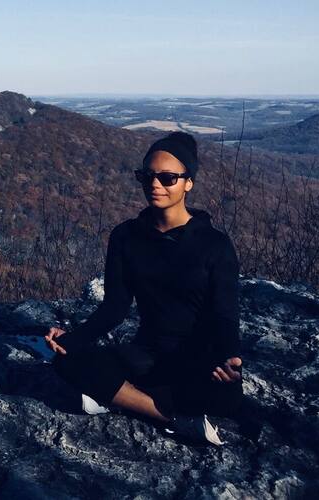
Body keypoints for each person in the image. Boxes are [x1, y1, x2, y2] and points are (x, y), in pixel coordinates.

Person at [45, 131, 243, 446]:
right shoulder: (126, 237)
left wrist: (228, 359)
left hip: (197, 357)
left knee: (226, 396)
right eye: (147, 176)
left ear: (188, 183)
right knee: (67, 361)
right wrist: (72, 339)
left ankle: (118, 397)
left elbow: (225, 314)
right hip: (146, 353)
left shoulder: (214, 245)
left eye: (167, 178)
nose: (155, 185)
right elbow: (115, 307)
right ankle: (172, 418)